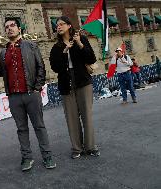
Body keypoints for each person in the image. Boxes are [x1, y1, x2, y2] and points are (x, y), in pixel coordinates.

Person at [0, 18, 56, 171]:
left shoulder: (31, 45)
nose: (9, 29)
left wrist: (37, 88)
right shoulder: (4, 52)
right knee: (21, 129)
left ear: (19, 28)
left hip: (31, 94)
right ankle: (27, 158)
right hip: (14, 97)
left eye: (12, 26)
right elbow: (1, 72)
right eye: (7, 27)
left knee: (39, 126)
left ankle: (47, 156)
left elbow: (40, 67)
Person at [49, 16, 100, 159]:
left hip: (83, 81)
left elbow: (91, 59)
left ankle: (90, 147)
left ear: (69, 25)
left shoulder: (81, 39)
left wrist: (79, 44)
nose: (58, 27)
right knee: (71, 118)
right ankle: (77, 148)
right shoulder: (56, 47)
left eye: (61, 24)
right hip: (66, 84)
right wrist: (65, 52)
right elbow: (56, 67)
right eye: (56, 25)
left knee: (87, 116)